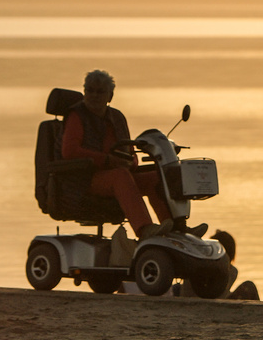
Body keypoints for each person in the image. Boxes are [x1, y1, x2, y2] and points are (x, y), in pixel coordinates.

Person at [60, 70, 183, 240]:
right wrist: (108, 160)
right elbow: (69, 151)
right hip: (83, 179)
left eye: (100, 91)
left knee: (155, 178)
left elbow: (130, 153)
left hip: (117, 175)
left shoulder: (117, 117)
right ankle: (145, 229)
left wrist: (130, 163)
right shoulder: (76, 116)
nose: (94, 95)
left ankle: (175, 230)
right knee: (121, 176)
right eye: (90, 90)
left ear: (110, 96)